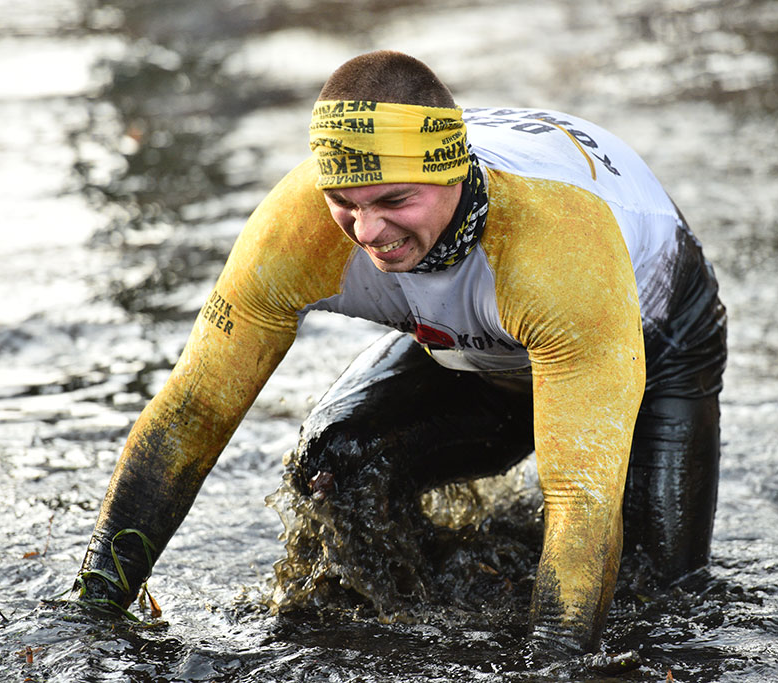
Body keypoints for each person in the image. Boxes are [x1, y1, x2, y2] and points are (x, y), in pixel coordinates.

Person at [72, 50, 726, 654]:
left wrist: (552, 662)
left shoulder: (552, 243)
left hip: (652, 333)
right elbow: (192, 412)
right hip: (486, 341)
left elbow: (582, 499)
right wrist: (94, 609)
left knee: (656, 609)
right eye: (345, 204)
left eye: (394, 200)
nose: (369, 233)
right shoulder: (296, 229)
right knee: (336, 465)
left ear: (453, 173)